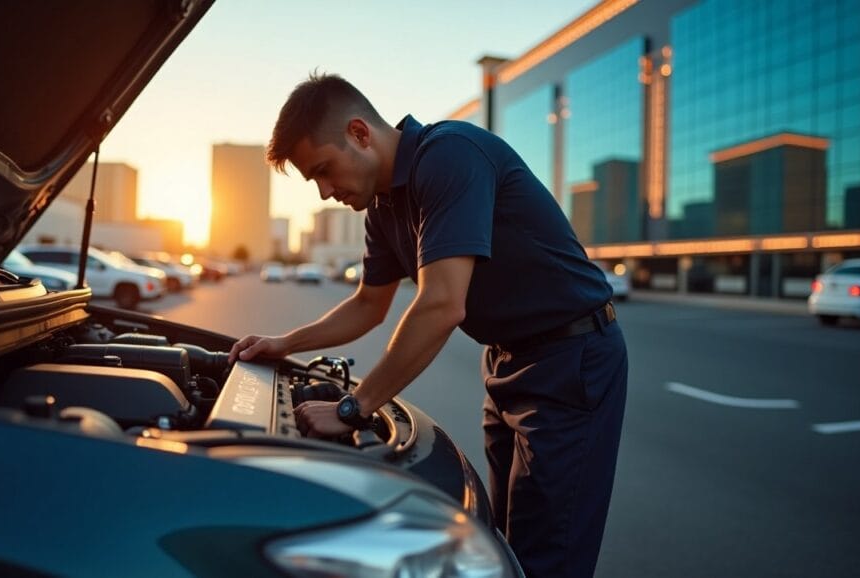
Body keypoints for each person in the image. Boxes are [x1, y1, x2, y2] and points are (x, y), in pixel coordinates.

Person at [228, 72, 628, 578]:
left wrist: (354, 407)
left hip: (571, 359)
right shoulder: (382, 208)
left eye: (324, 171)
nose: (325, 192)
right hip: (505, 364)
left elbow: (441, 304)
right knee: (498, 544)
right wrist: (285, 343)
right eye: (315, 181)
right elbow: (367, 305)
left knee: (547, 558)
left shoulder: (450, 155)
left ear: (359, 132)